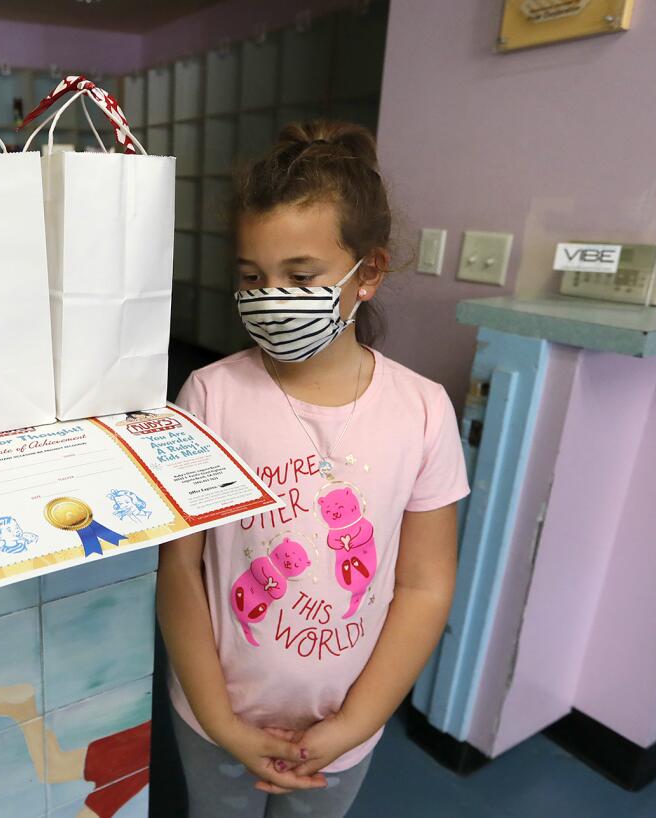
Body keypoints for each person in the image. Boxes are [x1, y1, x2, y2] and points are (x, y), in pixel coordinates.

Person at [157, 120, 469, 818]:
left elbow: (424, 585)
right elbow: (181, 569)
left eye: (300, 276)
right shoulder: (209, 395)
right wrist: (222, 720)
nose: (270, 296)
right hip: (215, 720)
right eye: (251, 277)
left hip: (345, 730)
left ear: (371, 273)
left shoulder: (422, 411)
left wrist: (356, 723)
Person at [0, 678, 150, 818]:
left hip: (146, 751)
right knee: (55, 767)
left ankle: (22, 709)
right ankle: (22, 709)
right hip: (145, 748)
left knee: (54, 768)